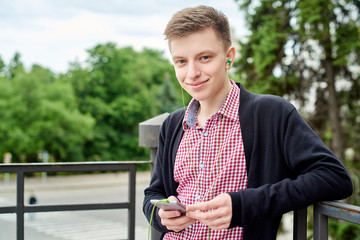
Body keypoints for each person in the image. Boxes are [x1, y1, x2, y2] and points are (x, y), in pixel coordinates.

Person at [143, 5, 353, 240]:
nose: (192, 73)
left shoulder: (272, 113)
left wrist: (244, 205)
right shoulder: (173, 124)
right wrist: (161, 212)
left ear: (229, 57)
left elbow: (334, 178)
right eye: (181, 61)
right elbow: (153, 194)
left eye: (204, 57)